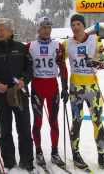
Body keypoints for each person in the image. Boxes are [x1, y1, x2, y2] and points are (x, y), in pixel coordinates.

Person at [62, 14, 104, 173]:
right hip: (75, 89)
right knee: (76, 121)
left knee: (97, 121)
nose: (75, 27)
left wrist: (95, 62)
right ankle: (76, 154)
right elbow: (58, 60)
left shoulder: (95, 40)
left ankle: (101, 156)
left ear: (83, 26)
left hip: (92, 88)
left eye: (78, 24)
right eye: (73, 24)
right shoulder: (67, 44)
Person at [0, 18, 35, 172]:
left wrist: (24, 81)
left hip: (20, 94)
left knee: (24, 128)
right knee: (5, 129)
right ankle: (9, 162)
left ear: (11, 31)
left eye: (2, 29)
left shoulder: (21, 48)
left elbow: (30, 68)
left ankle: (27, 161)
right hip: (1, 96)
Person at [27, 16, 68, 169]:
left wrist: (65, 87)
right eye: (44, 27)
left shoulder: (57, 46)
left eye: (49, 27)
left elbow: (62, 67)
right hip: (37, 86)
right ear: (39, 29)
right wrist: (23, 84)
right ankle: (38, 151)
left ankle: (55, 152)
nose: (46, 30)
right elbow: (25, 68)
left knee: (54, 121)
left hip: (52, 86)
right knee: (37, 122)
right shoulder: (31, 46)